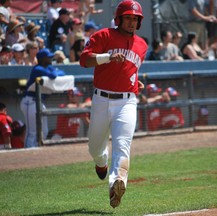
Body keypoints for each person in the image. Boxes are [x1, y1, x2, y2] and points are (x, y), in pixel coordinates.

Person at [79, 0, 148, 208]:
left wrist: (136, 81)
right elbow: (84, 60)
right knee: (94, 147)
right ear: (119, 19)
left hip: (127, 102)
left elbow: (131, 67)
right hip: (101, 99)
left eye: (135, 19)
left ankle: (117, 182)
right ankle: (101, 161)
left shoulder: (142, 45)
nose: (132, 22)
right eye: (128, 17)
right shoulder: (103, 36)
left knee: (122, 144)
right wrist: (106, 58)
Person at [20, 48, 66, 148]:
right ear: (41, 59)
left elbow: (62, 72)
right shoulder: (38, 69)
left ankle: (37, 153)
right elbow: (54, 75)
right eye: (48, 57)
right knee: (32, 131)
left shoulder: (47, 66)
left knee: (43, 131)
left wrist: (56, 71)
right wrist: (55, 71)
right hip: (29, 101)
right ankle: (27, 153)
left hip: (39, 102)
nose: (51, 58)